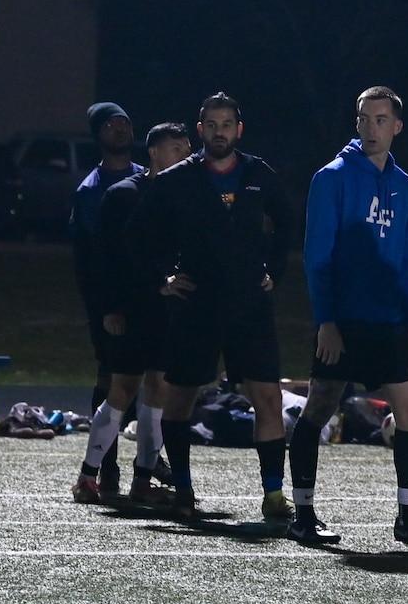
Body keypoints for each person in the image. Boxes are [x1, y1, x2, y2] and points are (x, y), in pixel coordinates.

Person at [286, 87, 408, 548]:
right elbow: (317, 257)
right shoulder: (332, 178)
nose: (370, 128)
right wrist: (327, 321)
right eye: (363, 118)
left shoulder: (404, 184)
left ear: (397, 126)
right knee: (320, 407)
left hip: (389, 321)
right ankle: (303, 515)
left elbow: (406, 258)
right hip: (345, 321)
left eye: (380, 120)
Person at [129, 94, 293, 521]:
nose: (220, 132)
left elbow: (288, 224)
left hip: (249, 307)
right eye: (212, 125)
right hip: (197, 306)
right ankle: (183, 488)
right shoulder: (178, 179)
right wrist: (162, 279)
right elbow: (138, 235)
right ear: (200, 130)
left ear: (239, 129)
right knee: (180, 398)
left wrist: (274, 271)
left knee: (268, 398)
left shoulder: (258, 173)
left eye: (227, 124)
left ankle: (274, 494)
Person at [84, 121, 192, 506]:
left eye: (187, 150)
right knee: (122, 390)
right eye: (176, 149)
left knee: (159, 390)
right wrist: (110, 308)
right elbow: (103, 260)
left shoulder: (186, 197)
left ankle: (142, 480)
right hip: (130, 310)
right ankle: (88, 477)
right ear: (154, 152)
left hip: (167, 312)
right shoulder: (123, 195)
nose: (184, 156)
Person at [70, 102, 144, 501]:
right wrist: (103, 308)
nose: (120, 128)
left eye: (124, 122)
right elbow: (90, 259)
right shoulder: (90, 191)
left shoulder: (148, 178)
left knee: (154, 381)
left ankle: (148, 467)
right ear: (98, 135)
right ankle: (106, 466)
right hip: (111, 302)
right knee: (112, 378)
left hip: (149, 297)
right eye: (110, 124)